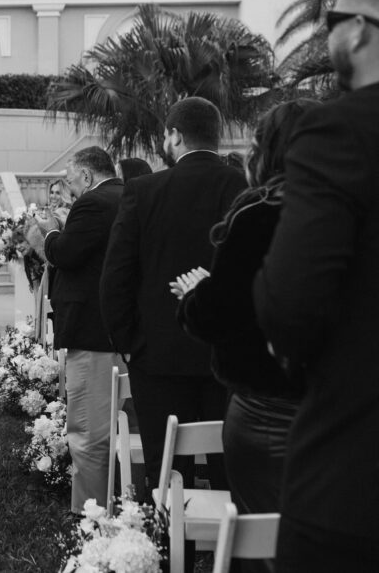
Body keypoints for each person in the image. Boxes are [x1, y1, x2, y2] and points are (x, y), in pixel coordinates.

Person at [254, 0, 379, 572]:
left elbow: (290, 302)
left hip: (355, 478)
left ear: (358, 29)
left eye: (330, 20)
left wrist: (288, 345)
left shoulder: (339, 132)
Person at [172, 101, 316, 572]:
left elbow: (217, 316)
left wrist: (196, 294)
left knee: (264, 543)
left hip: (268, 411)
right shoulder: (354, 212)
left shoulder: (260, 215)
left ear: (269, 151)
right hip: (341, 410)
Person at [100, 97, 246, 497]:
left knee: (165, 476)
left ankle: (168, 552)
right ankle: (226, 549)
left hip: (157, 358)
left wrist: (130, 343)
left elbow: (116, 277)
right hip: (228, 358)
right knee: (229, 475)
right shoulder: (243, 189)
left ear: (175, 136)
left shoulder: (143, 190)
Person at [30, 147, 124, 512]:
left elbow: (66, 254)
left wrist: (51, 232)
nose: (69, 189)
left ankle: (88, 513)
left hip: (91, 330)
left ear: (86, 176)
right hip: (119, 329)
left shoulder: (93, 203)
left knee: (87, 429)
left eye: (70, 181)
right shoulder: (129, 195)